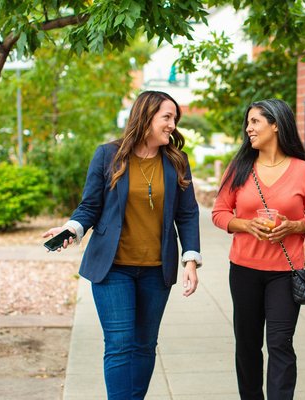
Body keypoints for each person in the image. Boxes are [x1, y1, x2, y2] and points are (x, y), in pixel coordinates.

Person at [43, 90, 201, 400]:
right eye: (166, 117)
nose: (172, 125)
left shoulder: (177, 162)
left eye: (174, 118)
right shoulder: (108, 155)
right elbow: (89, 206)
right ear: (146, 117)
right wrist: (71, 229)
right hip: (113, 268)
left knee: (144, 344)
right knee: (119, 343)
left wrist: (191, 260)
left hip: (157, 270)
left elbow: (188, 214)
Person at [212, 99, 305, 400]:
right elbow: (219, 213)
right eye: (247, 123)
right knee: (248, 344)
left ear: (275, 124)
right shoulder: (239, 169)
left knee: (280, 344)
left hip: (285, 274)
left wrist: (295, 226)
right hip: (244, 270)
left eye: (255, 121)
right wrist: (246, 225)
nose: (248, 128)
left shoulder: (304, 171)